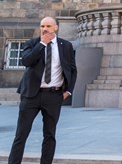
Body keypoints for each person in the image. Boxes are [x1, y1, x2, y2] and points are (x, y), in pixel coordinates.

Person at [9, 16, 77, 164]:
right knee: (21, 134)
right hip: (31, 96)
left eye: (48, 26)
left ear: (56, 28)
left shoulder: (65, 46)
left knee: (50, 135)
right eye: (42, 26)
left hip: (54, 95)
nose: (44, 29)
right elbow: (27, 61)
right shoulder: (32, 43)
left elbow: (72, 70)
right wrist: (42, 44)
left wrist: (68, 91)